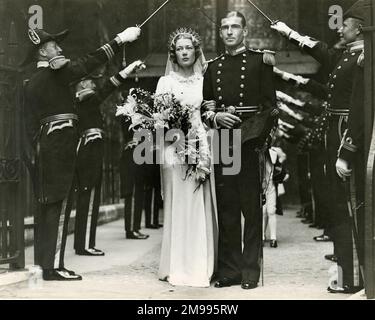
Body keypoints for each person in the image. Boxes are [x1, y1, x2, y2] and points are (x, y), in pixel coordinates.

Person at [22, 26, 141, 281]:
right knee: (61, 206)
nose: (60, 48)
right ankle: (54, 267)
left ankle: (45, 265)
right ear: (43, 51)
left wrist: (121, 74)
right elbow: (88, 63)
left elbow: (31, 123)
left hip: (45, 147)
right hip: (61, 146)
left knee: (47, 206)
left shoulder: (33, 81)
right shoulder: (56, 75)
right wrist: (119, 39)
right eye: (55, 45)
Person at [271, 0, 365, 293]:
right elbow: (323, 53)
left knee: (351, 207)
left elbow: (359, 109)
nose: (340, 29)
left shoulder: (362, 58)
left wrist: (347, 150)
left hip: (346, 136)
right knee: (340, 207)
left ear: (359, 28)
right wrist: (289, 34)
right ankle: (349, 275)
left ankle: (356, 278)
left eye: (345, 25)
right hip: (337, 135)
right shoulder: (349, 55)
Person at [203, 11, 277, 289]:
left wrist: (254, 136)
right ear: (221, 33)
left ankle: (249, 272)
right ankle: (230, 270)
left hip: (251, 140)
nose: (229, 32)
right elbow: (205, 106)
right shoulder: (212, 67)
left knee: (251, 208)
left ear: (245, 31)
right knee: (228, 207)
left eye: (235, 27)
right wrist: (215, 118)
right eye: (225, 27)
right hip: (223, 139)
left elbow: (271, 107)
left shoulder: (261, 61)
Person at [155, 27, 218, 287]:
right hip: (175, 150)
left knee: (198, 204)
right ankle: (177, 264)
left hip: (202, 146)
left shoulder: (205, 80)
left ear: (196, 51)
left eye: (188, 48)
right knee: (178, 205)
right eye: (179, 49)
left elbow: (210, 114)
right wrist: (169, 148)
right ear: (174, 53)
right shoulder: (165, 82)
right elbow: (159, 122)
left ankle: (200, 264)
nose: (184, 52)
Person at [73, 61, 145, 256]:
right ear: (81, 85)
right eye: (90, 82)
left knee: (88, 196)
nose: (94, 85)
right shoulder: (86, 100)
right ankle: (85, 244)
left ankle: (83, 242)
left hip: (88, 150)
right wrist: (127, 70)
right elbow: (107, 88)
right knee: (88, 196)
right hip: (89, 152)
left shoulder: (83, 100)